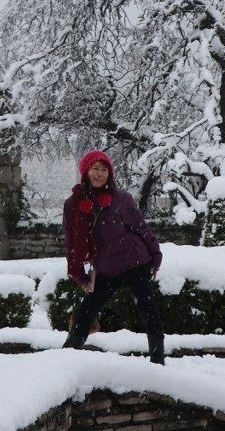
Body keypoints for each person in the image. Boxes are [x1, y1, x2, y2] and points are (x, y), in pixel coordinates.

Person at [61, 149, 166, 365]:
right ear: (85, 171)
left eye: (104, 170)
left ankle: (158, 361)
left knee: (148, 311)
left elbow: (141, 228)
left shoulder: (121, 199)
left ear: (109, 174)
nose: (99, 174)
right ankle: (63, 361)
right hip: (105, 269)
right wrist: (80, 275)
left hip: (135, 262)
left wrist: (156, 254)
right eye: (94, 169)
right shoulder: (73, 205)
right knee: (84, 314)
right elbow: (71, 241)